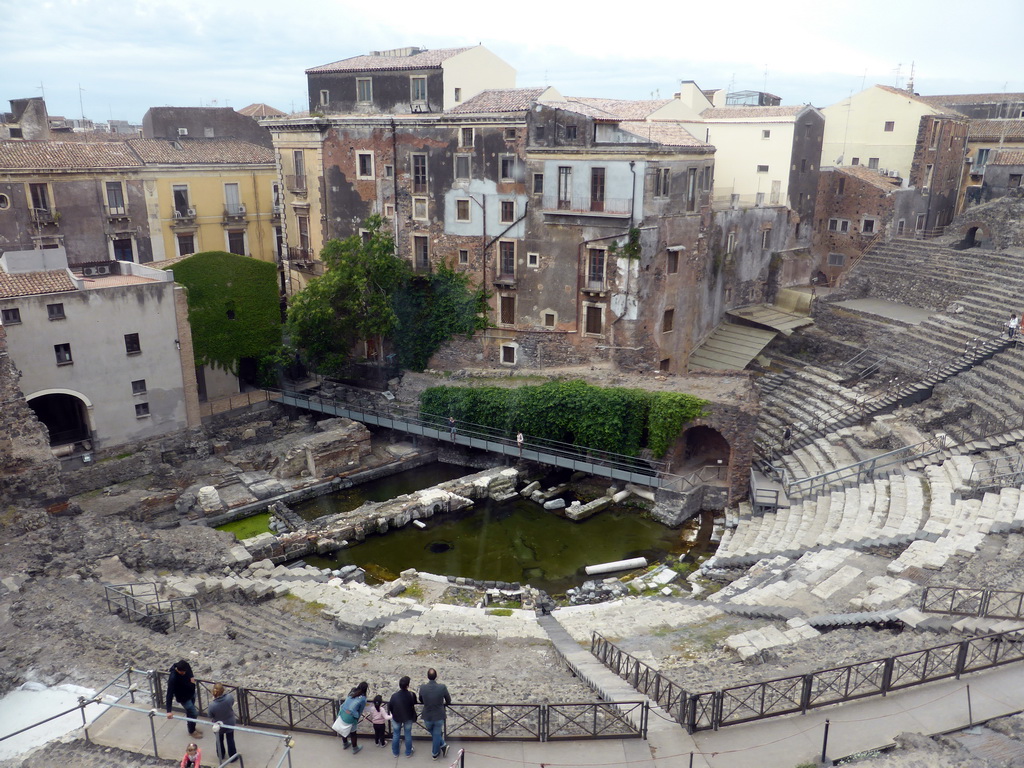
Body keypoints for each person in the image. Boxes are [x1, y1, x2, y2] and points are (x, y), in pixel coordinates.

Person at [418, 668, 451, 760]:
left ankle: (438, 750)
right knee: (436, 734)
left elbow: (420, 699)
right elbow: (448, 700)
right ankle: (437, 752)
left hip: (427, 715)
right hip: (439, 715)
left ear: (427, 677)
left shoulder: (423, 687)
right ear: (436, 676)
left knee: (434, 733)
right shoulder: (442, 687)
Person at [166, 659, 202, 738]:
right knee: (193, 713)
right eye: (183, 672)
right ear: (178, 670)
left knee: (190, 713)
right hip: (184, 698)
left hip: (191, 693)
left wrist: (192, 678)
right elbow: (169, 694)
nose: (185, 673)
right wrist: (169, 711)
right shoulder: (173, 678)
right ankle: (192, 731)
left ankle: (192, 728)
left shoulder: (185, 665)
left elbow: (189, 670)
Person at [388, 675, 418, 758]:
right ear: (407, 686)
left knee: (396, 734)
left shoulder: (394, 696)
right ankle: (408, 752)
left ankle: (395, 752)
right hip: (408, 717)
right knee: (407, 734)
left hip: (397, 717)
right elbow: (414, 703)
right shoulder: (412, 695)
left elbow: (390, 706)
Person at [207, 682, 237, 762]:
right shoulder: (229, 697)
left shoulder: (212, 705)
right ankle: (233, 756)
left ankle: (221, 755)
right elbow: (232, 703)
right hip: (230, 722)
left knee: (219, 740)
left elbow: (210, 715)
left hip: (218, 724)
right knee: (230, 739)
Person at [337, 681, 369, 754]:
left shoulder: (352, 692)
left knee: (343, 728)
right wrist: (357, 719)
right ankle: (355, 748)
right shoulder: (363, 699)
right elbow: (360, 710)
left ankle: (345, 744)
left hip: (342, 713)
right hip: (350, 716)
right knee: (353, 733)